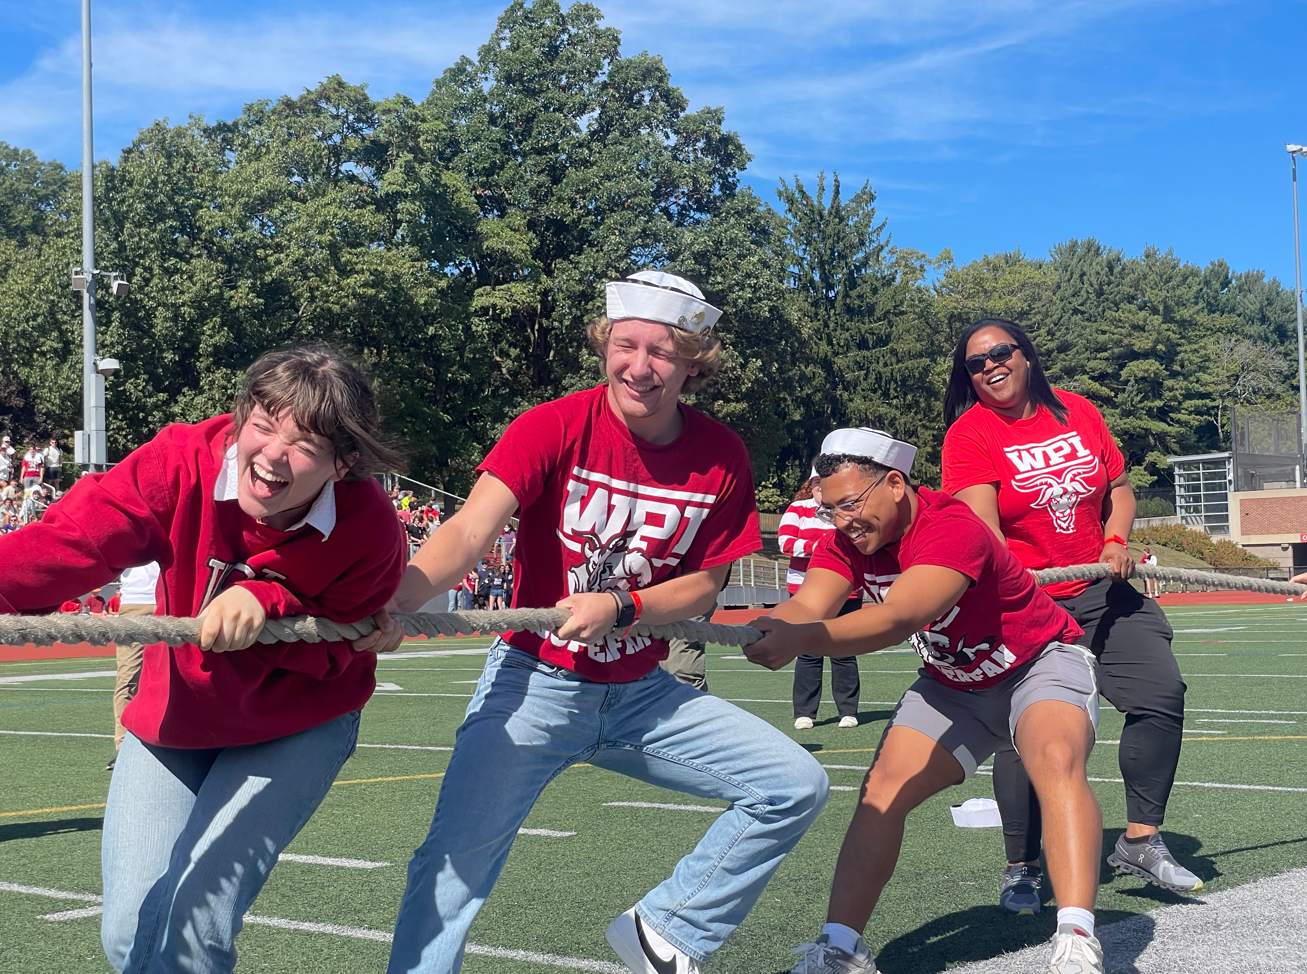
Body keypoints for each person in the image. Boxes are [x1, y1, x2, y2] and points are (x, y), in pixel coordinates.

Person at [357, 270, 828, 974]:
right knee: (454, 861)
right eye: (626, 345)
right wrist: (398, 596)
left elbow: (705, 585)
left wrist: (623, 607)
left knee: (795, 784)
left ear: (694, 362)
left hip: (645, 692)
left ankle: (667, 927)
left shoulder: (722, 455)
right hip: (533, 683)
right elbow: (469, 530)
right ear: (604, 343)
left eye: (662, 352)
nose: (640, 366)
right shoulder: (549, 425)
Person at [0, 345, 407, 974]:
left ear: (343, 462)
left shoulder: (371, 529)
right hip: (177, 717)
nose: (272, 455)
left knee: (192, 929)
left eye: (302, 445)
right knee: (130, 934)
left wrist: (269, 597)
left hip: (298, 722)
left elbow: (349, 625)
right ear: (241, 418)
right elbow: (71, 543)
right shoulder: (177, 461)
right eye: (263, 426)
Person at [749, 428, 1105, 974]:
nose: (843, 521)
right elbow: (811, 604)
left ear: (895, 483)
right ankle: (840, 948)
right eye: (830, 510)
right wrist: (773, 627)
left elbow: (900, 617)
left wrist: (803, 639)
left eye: (850, 505)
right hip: (954, 683)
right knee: (880, 793)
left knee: (1055, 759)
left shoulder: (953, 527)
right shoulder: (844, 541)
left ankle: (1077, 940)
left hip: (1037, 662)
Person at [940, 317, 1198, 912]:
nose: (990, 366)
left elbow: (1121, 487)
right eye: (975, 363)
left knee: (1161, 692)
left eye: (1000, 352)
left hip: (1105, 590)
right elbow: (984, 530)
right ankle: (1022, 867)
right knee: (1027, 733)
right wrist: (1012, 580)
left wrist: (1114, 538)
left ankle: (1141, 839)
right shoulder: (970, 435)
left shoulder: (1076, 411)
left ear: (1026, 355)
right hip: (1030, 600)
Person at [778, 470, 861, 729]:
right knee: (808, 653)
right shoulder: (798, 509)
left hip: (848, 591)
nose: (820, 488)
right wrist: (822, 547)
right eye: (816, 483)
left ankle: (848, 711)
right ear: (811, 485)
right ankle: (805, 712)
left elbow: (858, 540)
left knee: (844, 652)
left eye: (823, 483)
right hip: (805, 593)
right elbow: (786, 543)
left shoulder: (847, 508)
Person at [108, 561, 161, 770]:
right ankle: (123, 749)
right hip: (135, 603)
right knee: (128, 677)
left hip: (172, 600)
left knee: (179, 674)